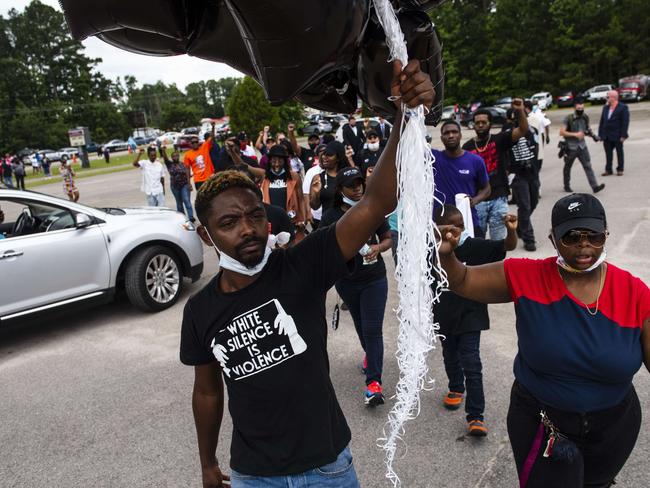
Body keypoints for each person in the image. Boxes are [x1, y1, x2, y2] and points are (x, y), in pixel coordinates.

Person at [179, 59, 434, 488]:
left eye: (255, 215)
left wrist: (403, 117)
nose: (247, 229)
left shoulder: (303, 264)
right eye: (228, 223)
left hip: (327, 467)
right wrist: (207, 463)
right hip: (253, 476)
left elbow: (374, 204)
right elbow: (207, 391)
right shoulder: (200, 311)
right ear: (206, 235)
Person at [436, 192, 650, 487]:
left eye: (594, 236)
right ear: (553, 239)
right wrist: (447, 255)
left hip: (614, 429)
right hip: (543, 424)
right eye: (571, 236)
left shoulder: (635, 293)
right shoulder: (527, 275)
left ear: (606, 235)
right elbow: (462, 280)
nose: (583, 244)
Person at [434, 205, 517, 436]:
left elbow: (507, 246)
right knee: (449, 354)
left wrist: (510, 230)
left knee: (472, 364)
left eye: (460, 226)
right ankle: (455, 388)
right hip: (443, 315)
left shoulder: (475, 246)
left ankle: (476, 416)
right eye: (449, 227)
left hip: (471, 315)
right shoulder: (430, 250)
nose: (455, 232)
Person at [320, 166, 392, 406]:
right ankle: (370, 357)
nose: (358, 187)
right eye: (352, 185)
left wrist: (377, 248)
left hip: (375, 278)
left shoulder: (373, 208)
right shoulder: (331, 217)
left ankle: (374, 383)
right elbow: (322, 247)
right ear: (340, 190)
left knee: (372, 329)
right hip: (347, 281)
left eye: (360, 182)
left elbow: (388, 238)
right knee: (362, 328)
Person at [462, 101, 529, 240]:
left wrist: (520, 111)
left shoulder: (500, 139)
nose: (480, 125)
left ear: (490, 124)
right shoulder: (467, 147)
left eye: (483, 122)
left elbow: (523, 129)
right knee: (477, 241)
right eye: (477, 122)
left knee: (498, 242)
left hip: (499, 198)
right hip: (477, 200)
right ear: (473, 125)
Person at [431, 120, 491, 237]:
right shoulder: (434, 158)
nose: (451, 135)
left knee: (475, 255)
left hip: (468, 222)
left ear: (460, 135)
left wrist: (475, 200)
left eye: (454, 132)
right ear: (442, 137)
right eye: (446, 133)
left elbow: (487, 188)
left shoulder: (475, 161)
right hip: (441, 226)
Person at [504, 107, 541, 251]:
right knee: (524, 206)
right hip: (517, 174)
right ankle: (529, 238)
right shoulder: (509, 133)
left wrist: (536, 166)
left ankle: (521, 226)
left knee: (534, 202)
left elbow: (536, 148)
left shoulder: (532, 131)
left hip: (532, 172)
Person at [260, 144, 307, 239]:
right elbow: (247, 167)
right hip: (271, 222)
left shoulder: (294, 176)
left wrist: (303, 219)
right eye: (273, 161)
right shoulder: (265, 177)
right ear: (269, 161)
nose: (276, 164)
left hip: (291, 220)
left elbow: (301, 199)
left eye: (280, 161)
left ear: (285, 161)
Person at [559, 97, 605, 194]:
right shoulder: (569, 118)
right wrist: (575, 134)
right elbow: (562, 132)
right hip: (571, 147)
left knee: (588, 166)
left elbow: (587, 129)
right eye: (579, 109)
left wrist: (593, 136)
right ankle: (566, 185)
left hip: (582, 146)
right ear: (574, 108)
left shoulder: (585, 117)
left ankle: (595, 186)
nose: (581, 110)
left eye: (582, 108)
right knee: (567, 167)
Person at [309, 141, 350, 216]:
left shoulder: (347, 175)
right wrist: (316, 193)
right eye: (324, 154)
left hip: (347, 220)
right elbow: (314, 207)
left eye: (329, 155)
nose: (324, 157)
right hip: (328, 223)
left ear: (338, 158)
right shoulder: (317, 178)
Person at [598, 90, 629, 176]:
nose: (606, 98)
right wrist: (600, 134)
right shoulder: (605, 108)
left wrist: (623, 135)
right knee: (608, 153)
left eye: (608, 97)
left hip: (617, 135)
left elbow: (625, 122)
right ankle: (608, 170)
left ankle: (620, 169)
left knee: (619, 152)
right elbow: (602, 122)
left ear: (613, 98)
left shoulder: (623, 107)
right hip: (606, 135)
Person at [161, 146, 194, 222]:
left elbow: (189, 174)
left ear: (179, 156)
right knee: (179, 203)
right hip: (175, 187)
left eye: (176, 156)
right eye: (173, 156)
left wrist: (189, 184)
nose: (175, 157)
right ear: (172, 158)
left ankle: (191, 217)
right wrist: (163, 150)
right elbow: (165, 158)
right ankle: (182, 218)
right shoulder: (169, 164)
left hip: (184, 185)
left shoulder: (183, 164)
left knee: (186, 200)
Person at [303, 143, 327, 230]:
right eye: (321, 152)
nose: (324, 154)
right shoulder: (311, 172)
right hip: (317, 215)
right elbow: (306, 194)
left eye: (326, 152)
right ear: (317, 156)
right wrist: (308, 212)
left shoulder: (334, 170)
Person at [185, 125, 216, 191]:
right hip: (198, 180)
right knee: (202, 198)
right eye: (193, 142)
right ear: (190, 144)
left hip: (209, 177)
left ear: (198, 142)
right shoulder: (188, 155)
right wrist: (188, 183)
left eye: (196, 142)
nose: (195, 144)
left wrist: (213, 126)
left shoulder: (204, 147)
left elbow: (212, 138)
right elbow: (187, 169)